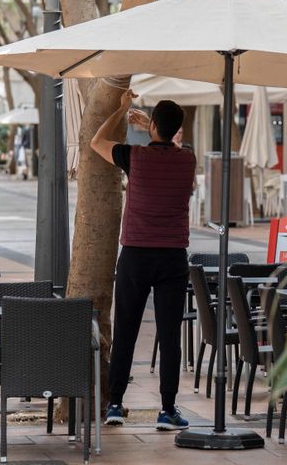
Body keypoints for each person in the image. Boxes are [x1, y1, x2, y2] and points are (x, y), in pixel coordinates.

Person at [90, 90, 195, 431]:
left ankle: (115, 405)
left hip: (135, 254)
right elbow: (172, 150)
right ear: (177, 129)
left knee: (126, 332)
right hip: (172, 259)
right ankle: (167, 409)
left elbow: (96, 141)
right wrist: (153, 127)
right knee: (169, 336)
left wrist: (122, 110)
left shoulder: (133, 157)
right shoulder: (187, 160)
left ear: (152, 126)